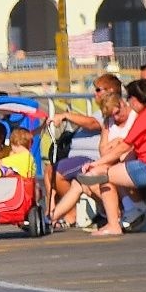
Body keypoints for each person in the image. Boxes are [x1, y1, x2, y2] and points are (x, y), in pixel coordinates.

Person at [83, 76, 146, 237]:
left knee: (101, 175)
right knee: (107, 171)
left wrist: (97, 164)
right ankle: (137, 210)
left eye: (129, 98)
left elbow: (124, 146)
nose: (128, 102)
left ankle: (114, 224)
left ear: (136, 99)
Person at [48, 73, 126, 228]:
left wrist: (65, 115)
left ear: (110, 91)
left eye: (98, 90)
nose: (94, 94)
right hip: (80, 158)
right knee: (53, 172)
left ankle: (70, 214)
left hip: (89, 158)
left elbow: (91, 124)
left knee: (55, 172)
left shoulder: (110, 112)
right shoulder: (103, 113)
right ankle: (50, 216)